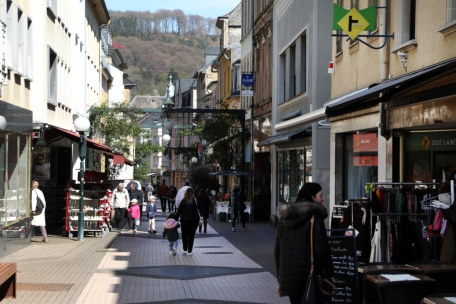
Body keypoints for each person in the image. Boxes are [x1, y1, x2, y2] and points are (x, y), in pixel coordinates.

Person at [274, 182, 334, 304]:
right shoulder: (315, 219)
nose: (323, 199)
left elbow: (277, 251)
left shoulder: (284, 218)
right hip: (310, 278)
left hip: (290, 279)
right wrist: (330, 271)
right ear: (312, 197)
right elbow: (322, 250)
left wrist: (281, 280)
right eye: (320, 195)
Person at [175, 188, 200, 256]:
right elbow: (198, 209)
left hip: (184, 220)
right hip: (194, 221)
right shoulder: (195, 200)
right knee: (191, 235)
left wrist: (175, 218)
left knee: (184, 235)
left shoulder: (183, 201)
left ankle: (185, 249)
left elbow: (179, 211)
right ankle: (190, 251)